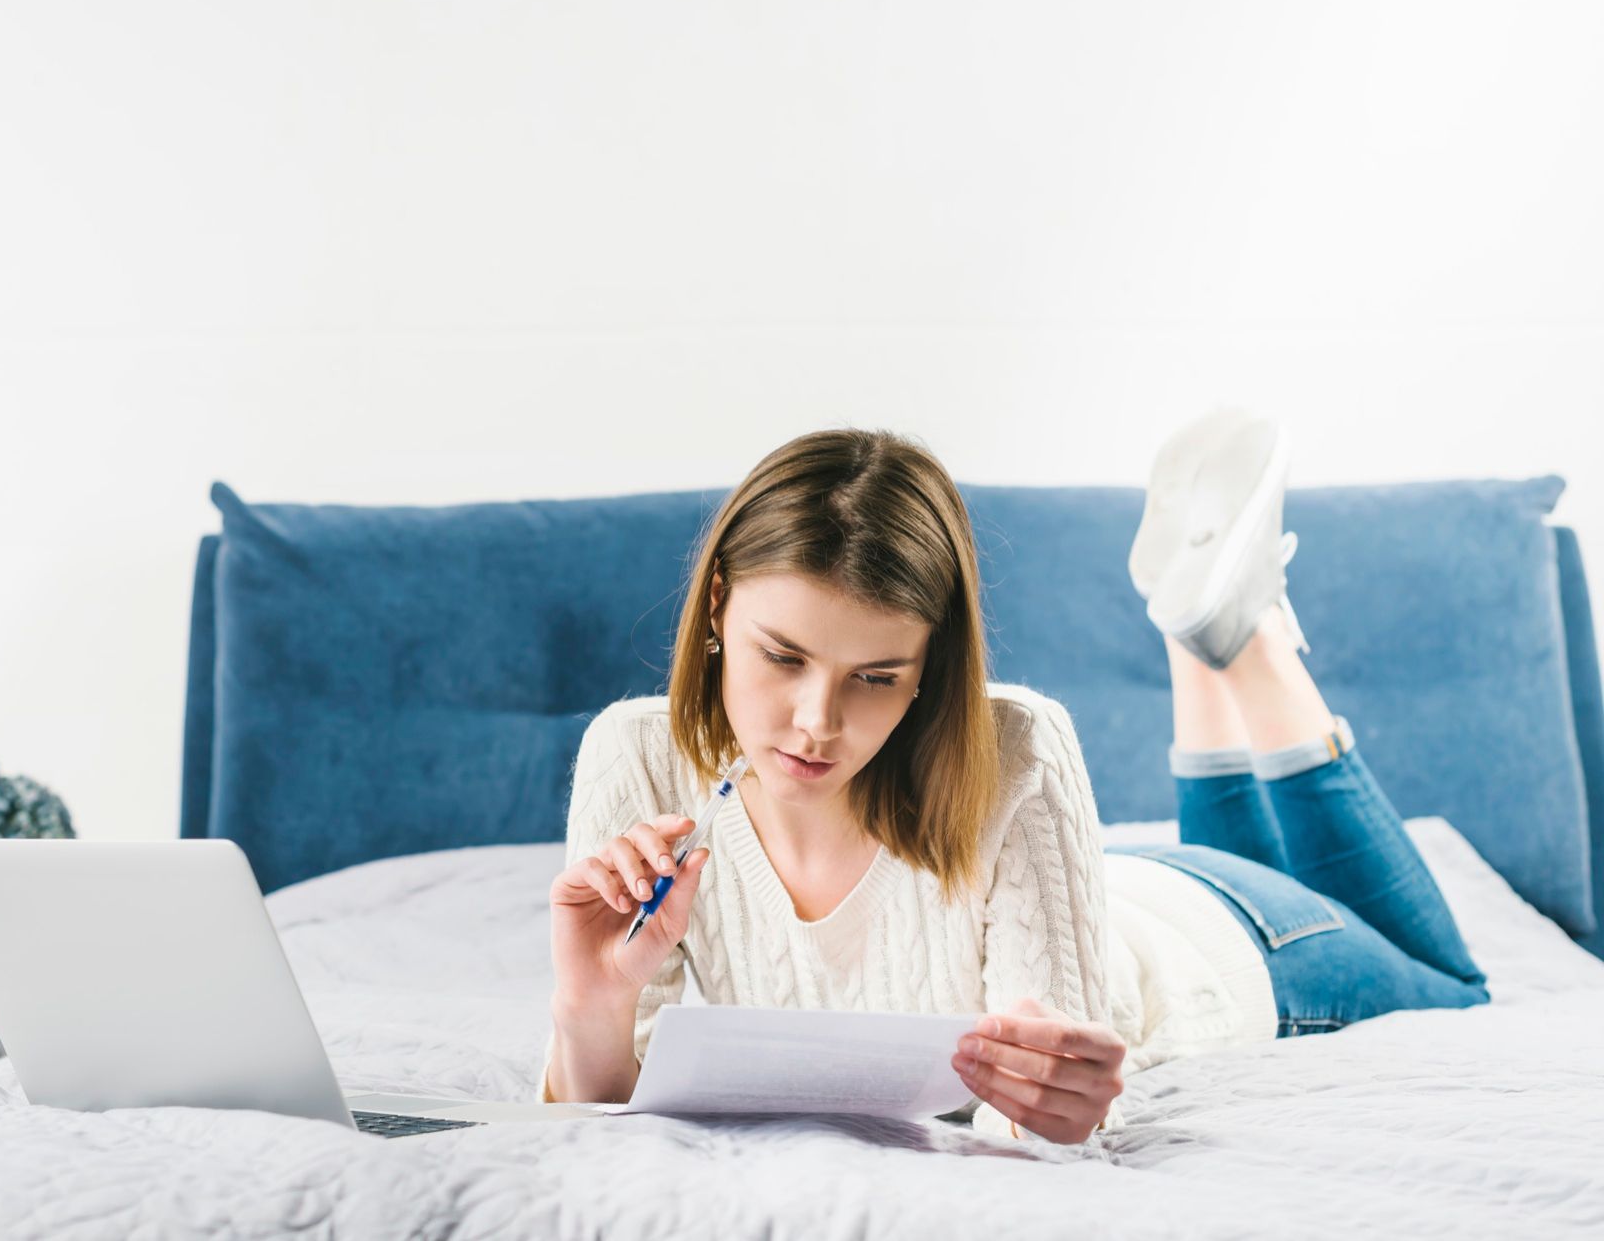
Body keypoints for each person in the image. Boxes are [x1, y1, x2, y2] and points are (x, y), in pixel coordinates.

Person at [536, 413, 1492, 1144]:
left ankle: (1249, 649)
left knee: (1459, 989)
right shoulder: (637, 756)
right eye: (781, 657)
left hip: (1228, 945)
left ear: (931, 666)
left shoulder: (1019, 744)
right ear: (716, 606)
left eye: (879, 678)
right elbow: (606, 1114)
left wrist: (1059, 1114)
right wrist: (591, 1002)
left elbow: (1039, 1128)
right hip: (1119, 888)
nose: (817, 724)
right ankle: (1206, 635)